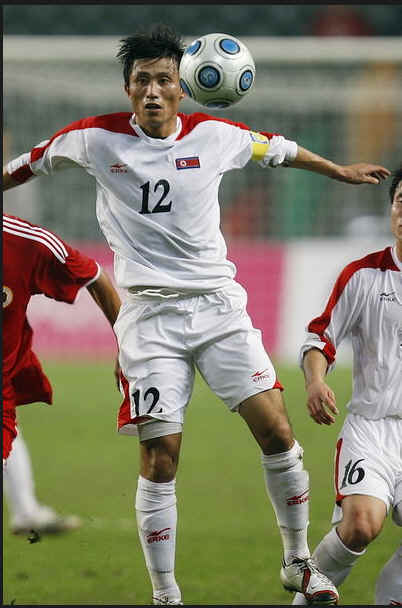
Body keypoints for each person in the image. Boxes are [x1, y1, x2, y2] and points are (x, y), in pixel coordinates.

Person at [2, 24, 390, 605]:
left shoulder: (215, 135)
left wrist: (337, 170)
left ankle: (298, 562)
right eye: (141, 81)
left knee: (278, 432)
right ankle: (166, 595)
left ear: (182, 87)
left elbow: (278, 149)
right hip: (148, 318)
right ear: (128, 89)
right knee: (160, 457)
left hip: (218, 309)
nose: (152, 91)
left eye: (163, 80)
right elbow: (27, 164)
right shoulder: (92, 138)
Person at [292, 167, 402, 606]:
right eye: (401, 202)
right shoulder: (363, 275)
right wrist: (316, 380)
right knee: (360, 524)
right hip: (372, 429)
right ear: (391, 210)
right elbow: (320, 338)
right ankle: (307, 593)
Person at [3, 213, 122, 535]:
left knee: (10, 432)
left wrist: (128, 345)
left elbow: (94, 276)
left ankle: (26, 510)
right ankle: (26, 510)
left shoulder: (26, 242)